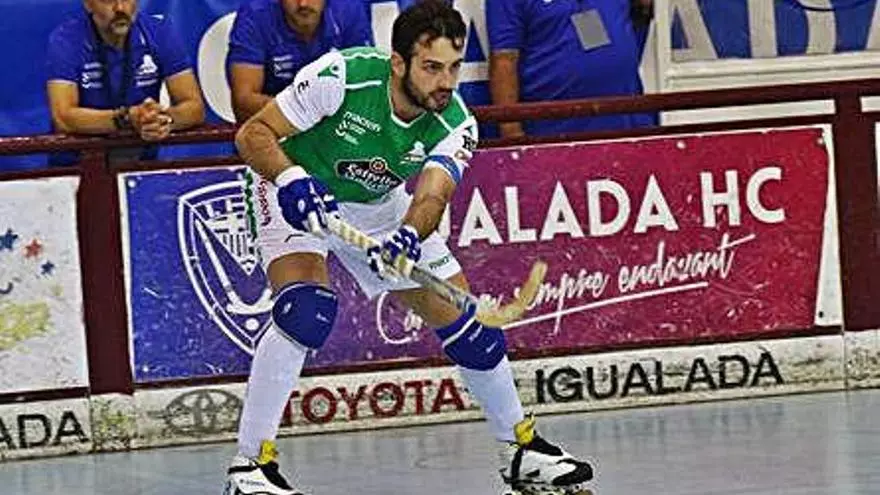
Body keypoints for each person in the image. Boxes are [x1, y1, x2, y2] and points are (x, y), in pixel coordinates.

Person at [226, 1, 594, 494]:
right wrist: (291, 179)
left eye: (454, 67)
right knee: (306, 311)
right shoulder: (343, 76)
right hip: (293, 185)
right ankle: (251, 467)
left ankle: (520, 449)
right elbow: (254, 133)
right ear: (398, 63)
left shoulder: (456, 122)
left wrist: (407, 236)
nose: (446, 82)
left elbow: (432, 196)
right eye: (432, 67)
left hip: (377, 206)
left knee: (473, 330)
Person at [46, 0, 205, 166]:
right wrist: (126, 120)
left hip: (141, 165)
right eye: (108, 0)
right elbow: (63, 118)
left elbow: (195, 108)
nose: (120, 8)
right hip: (76, 166)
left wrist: (161, 121)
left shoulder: (159, 32)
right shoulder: (66, 39)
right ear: (88, 4)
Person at [487, 0, 656, 138]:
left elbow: (636, 22)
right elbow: (504, 61)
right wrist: (512, 133)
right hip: (556, 131)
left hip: (627, 123)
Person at [227, 0, 373, 123]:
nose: (303, 4)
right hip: (276, 128)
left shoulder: (350, 8)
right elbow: (243, 105)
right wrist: (309, 111)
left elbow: (367, 88)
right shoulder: (256, 13)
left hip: (336, 130)